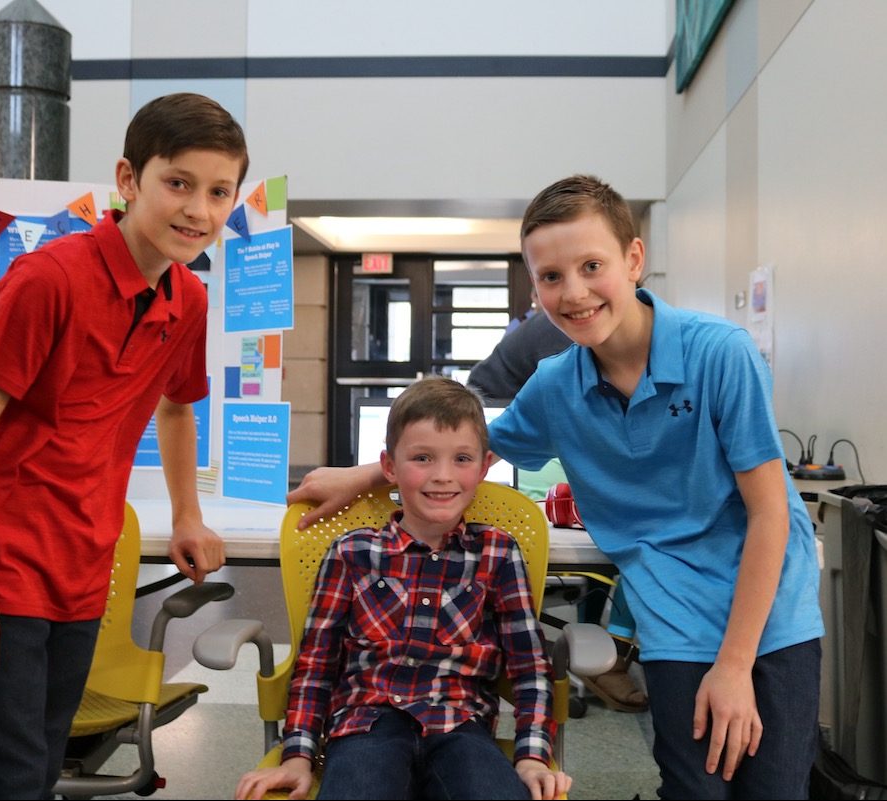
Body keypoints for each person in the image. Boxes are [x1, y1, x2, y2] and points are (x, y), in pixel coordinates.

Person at [288, 176, 824, 800]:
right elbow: (466, 454)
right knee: (699, 790)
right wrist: (367, 472)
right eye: (549, 277)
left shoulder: (720, 355)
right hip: (674, 612)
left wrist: (735, 665)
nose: (573, 293)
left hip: (769, 609)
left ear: (633, 259)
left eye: (591, 266)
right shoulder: (553, 385)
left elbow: (769, 516)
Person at [0, 92, 248, 799]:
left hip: (82, 561)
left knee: (45, 766)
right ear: (129, 180)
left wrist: (187, 513)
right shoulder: (48, 280)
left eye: (219, 191)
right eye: (179, 183)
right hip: (1, 563)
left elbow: (177, 408)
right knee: (8, 778)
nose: (199, 209)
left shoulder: (187, 299)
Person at [237, 377, 570, 801]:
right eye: (423, 458)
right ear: (389, 466)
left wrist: (531, 755)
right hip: (365, 724)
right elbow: (316, 664)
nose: (443, 476)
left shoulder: (498, 553)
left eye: (461, 458)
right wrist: (297, 755)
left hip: (461, 724)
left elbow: (529, 667)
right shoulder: (352, 552)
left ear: (485, 467)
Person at [468, 303, 648, 714]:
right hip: (504, 415)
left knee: (621, 533)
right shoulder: (571, 342)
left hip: (524, 419)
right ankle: (608, 654)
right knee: (613, 522)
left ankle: (602, 650)